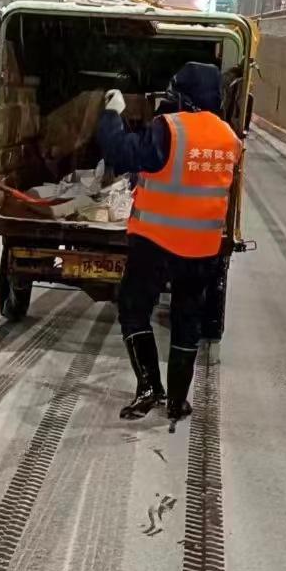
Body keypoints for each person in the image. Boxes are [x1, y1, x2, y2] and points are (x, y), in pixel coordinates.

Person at [97, 61, 241, 425]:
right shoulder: (229, 138)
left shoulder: (170, 129)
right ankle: (177, 399)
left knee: (133, 308)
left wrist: (112, 115)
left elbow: (121, 153)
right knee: (187, 319)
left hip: (156, 242)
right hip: (202, 248)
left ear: (183, 95)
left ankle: (149, 387)